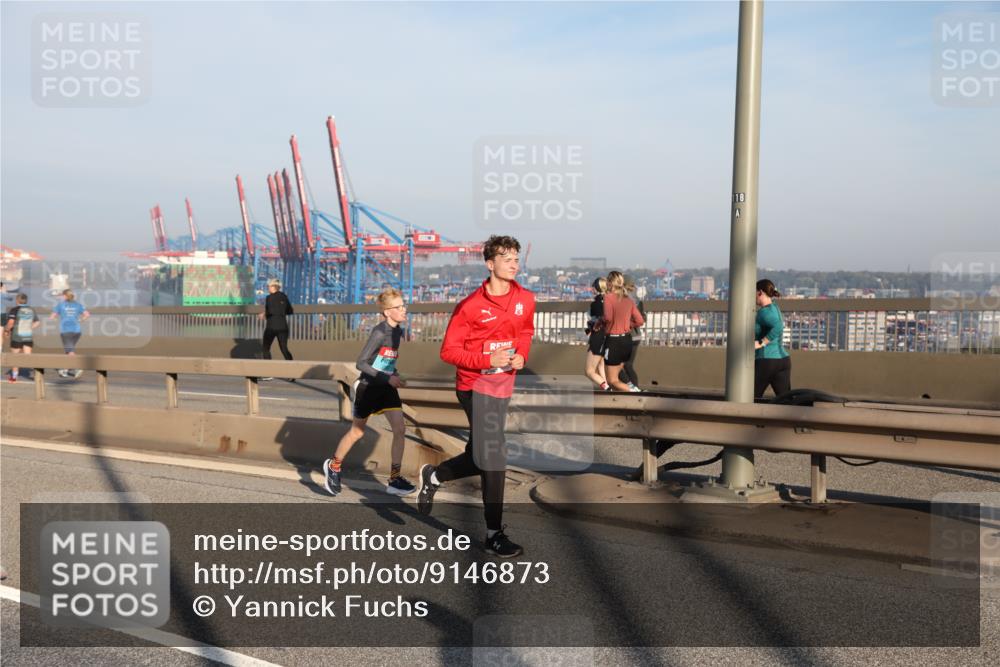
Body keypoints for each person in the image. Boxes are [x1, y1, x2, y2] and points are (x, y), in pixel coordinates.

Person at [417, 235, 535, 558]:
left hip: (502, 386)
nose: (514, 263)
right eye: (506, 258)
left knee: (480, 455)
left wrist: (521, 355)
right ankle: (494, 534)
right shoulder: (470, 307)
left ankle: (435, 474)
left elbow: (525, 331)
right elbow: (448, 351)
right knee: (494, 455)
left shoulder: (526, 298)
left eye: (516, 257)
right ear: (490, 264)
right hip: (473, 386)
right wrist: (487, 360)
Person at [323, 287, 414, 497]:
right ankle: (334, 465)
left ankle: (394, 479)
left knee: (400, 430)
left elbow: (386, 360)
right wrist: (386, 377)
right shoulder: (380, 332)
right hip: (369, 388)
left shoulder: (398, 331)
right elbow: (361, 363)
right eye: (398, 307)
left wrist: (394, 375)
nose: (404, 310)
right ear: (386, 312)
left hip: (386, 388)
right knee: (357, 431)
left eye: (404, 305)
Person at [601, 271, 644, 392]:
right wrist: (628, 326)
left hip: (613, 340)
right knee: (622, 370)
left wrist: (600, 321)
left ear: (610, 283)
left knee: (612, 380)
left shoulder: (608, 298)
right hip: (626, 340)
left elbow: (608, 318)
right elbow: (640, 320)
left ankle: (635, 392)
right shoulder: (629, 301)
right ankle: (633, 389)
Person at [754, 278, 791, 398]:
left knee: (750, 398)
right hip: (783, 361)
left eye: (754, 293)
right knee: (786, 402)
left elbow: (778, 326)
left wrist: (762, 342)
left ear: (760, 292)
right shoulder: (775, 308)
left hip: (767, 360)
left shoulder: (763, 312)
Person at [50, 290, 89, 379]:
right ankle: (65, 369)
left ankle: (77, 367)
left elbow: (52, 316)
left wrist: (56, 319)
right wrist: (81, 320)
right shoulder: (78, 305)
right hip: (77, 331)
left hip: (66, 331)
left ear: (65, 296)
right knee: (69, 350)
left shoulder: (60, 305)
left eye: (62, 295)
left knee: (70, 351)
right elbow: (87, 314)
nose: (61, 297)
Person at [260, 279, 294, 379]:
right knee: (284, 348)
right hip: (283, 326)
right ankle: (293, 373)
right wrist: (281, 312)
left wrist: (264, 314)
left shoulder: (269, 298)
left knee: (265, 348)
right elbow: (290, 311)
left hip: (272, 326)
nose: (268, 288)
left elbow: (270, 311)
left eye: (269, 286)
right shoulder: (284, 296)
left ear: (274, 287)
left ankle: (268, 374)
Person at [4, 293, 40, 382]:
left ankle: (14, 377)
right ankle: (37, 373)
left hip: (17, 337)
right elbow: (37, 322)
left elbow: (11, 323)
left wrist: (6, 330)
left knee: (15, 357)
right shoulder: (31, 310)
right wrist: (29, 327)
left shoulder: (14, 310)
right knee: (28, 357)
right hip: (28, 336)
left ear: (17, 300)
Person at [619, 277, 645, 392]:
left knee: (616, 365)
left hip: (626, 336)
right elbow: (643, 318)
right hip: (636, 336)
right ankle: (635, 389)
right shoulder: (638, 300)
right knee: (628, 365)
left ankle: (632, 388)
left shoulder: (623, 299)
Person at [584, 277, 610, 391]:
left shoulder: (596, 303)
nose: (592, 288)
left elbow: (596, 319)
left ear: (598, 287)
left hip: (598, 337)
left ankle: (606, 387)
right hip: (607, 337)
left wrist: (591, 328)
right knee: (601, 364)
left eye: (594, 286)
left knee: (589, 371)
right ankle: (606, 387)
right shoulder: (610, 300)